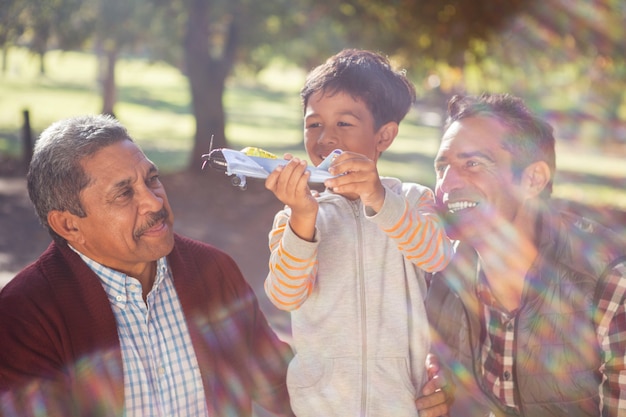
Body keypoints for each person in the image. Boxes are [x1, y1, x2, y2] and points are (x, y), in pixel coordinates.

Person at [0, 114, 295, 417]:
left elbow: (284, 387)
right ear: (68, 225)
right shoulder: (23, 317)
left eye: (152, 179)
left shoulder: (213, 271)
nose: (154, 202)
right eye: (124, 193)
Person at [263, 48, 454, 417]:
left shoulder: (413, 201)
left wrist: (378, 198)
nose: (325, 139)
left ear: (384, 136)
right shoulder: (294, 218)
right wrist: (304, 216)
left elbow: (436, 255)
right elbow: (285, 295)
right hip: (320, 405)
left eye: (344, 124)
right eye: (314, 124)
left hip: (401, 403)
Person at [426, 93, 626, 416]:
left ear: (533, 179)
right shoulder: (447, 274)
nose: (446, 185)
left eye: (472, 164)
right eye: (442, 167)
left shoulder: (611, 287)